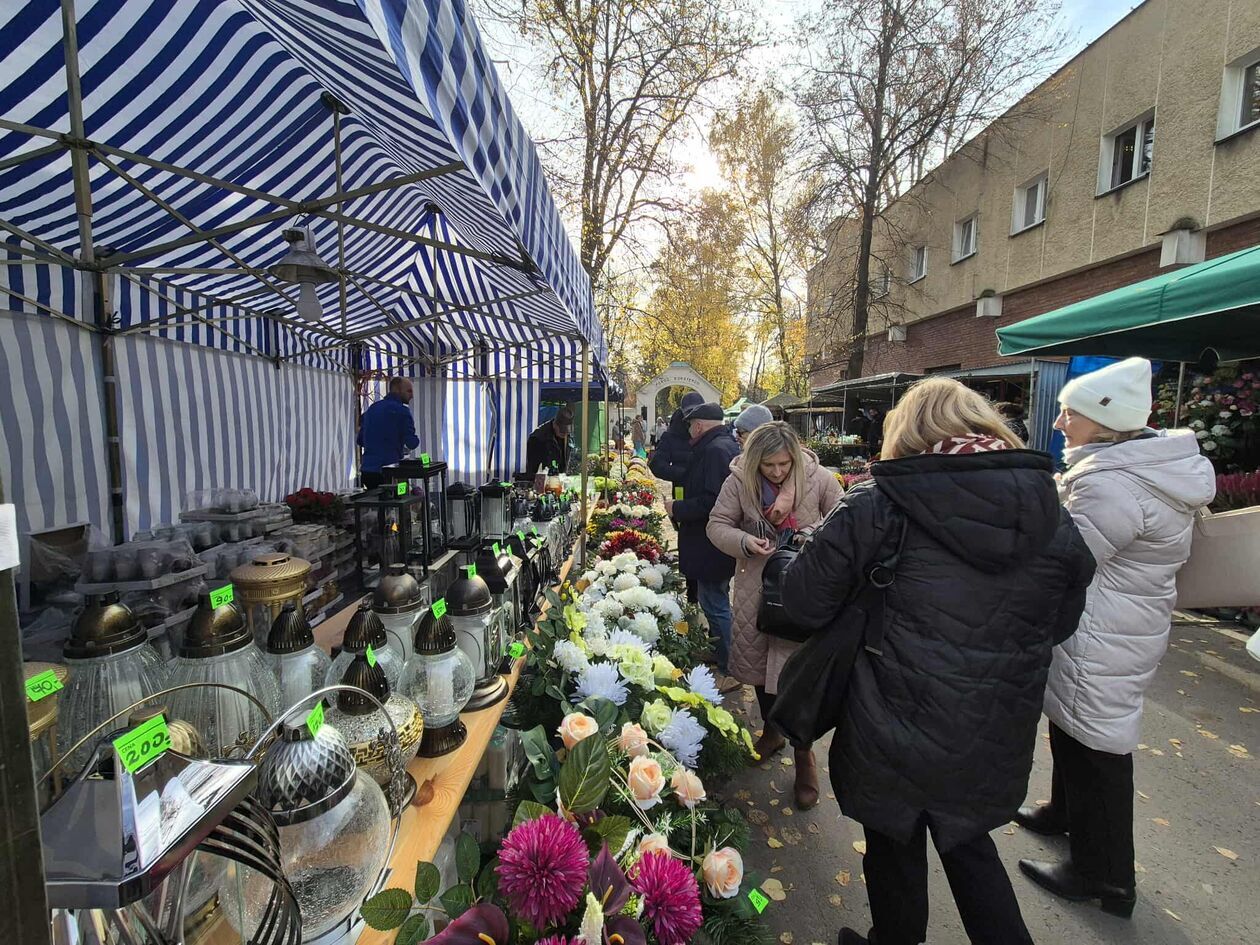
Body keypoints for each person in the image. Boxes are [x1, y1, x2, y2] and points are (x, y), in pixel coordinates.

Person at [782, 377, 1096, 945]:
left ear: (908, 432)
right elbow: (1061, 622)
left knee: (894, 844)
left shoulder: (882, 502)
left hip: (890, 720)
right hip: (991, 727)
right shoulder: (1050, 512)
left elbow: (803, 602)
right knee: (970, 845)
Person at [1016, 357, 1216, 918]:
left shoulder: (1112, 485)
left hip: (1102, 631)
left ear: (1104, 423)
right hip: (1115, 624)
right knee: (1074, 726)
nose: (1058, 423)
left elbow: (1066, 561)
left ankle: (1103, 876)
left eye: (1067, 413)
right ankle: (1063, 814)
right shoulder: (1128, 470)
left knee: (1098, 746)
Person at [706, 421, 842, 809]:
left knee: (799, 678)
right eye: (769, 466)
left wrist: (810, 536)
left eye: (784, 464)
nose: (778, 472)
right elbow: (717, 525)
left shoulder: (820, 479)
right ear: (755, 462)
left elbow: (844, 522)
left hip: (805, 593)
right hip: (756, 591)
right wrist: (745, 541)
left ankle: (804, 754)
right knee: (760, 669)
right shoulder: (738, 481)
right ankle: (771, 732)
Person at [665, 401, 741, 692]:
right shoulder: (718, 447)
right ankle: (718, 650)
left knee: (716, 602)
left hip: (712, 542)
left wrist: (678, 508)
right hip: (708, 540)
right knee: (713, 600)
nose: (688, 432)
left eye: (690, 426)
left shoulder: (715, 451)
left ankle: (730, 667)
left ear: (697, 425)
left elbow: (713, 502)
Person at [358, 377, 419, 489]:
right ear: (397, 390)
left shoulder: (372, 408)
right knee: (402, 501)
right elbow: (411, 443)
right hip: (391, 472)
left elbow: (360, 439)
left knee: (375, 503)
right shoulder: (402, 412)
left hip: (368, 472)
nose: (412, 395)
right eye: (409, 391)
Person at [650, 391, 705, 485]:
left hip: (706, 491)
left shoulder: (709, 431)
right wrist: (682, 473)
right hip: (681, 489)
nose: (693, 416)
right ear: (683, 412)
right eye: (689, 412)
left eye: (697, 412)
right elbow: (657, 465)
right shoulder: (671, 435)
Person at [525, 405, 574, 485]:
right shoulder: (537, 438)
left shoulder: (568, 437)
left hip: (561, 482)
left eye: (567, 432)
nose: (565, 434)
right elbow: (532, 470)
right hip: (544, 484)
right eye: (562, 431)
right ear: (555, 424)